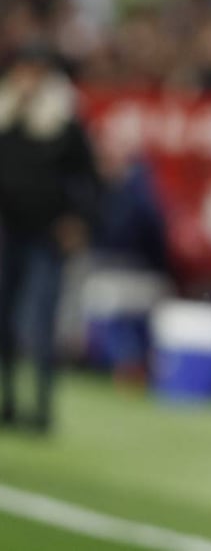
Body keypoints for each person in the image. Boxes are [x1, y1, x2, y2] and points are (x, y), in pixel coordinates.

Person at [0, 43, 100, 433]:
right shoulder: (5, 115)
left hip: (46, 235)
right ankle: (8, 401)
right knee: (4, 321)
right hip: (6, 231)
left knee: (40, 323)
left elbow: (89, 180)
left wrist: (78, 221)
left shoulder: (62, 122)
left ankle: (40, 408)